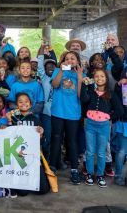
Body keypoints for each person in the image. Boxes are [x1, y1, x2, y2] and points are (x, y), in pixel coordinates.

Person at [81, 69, 121, 188]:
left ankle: (100, 175)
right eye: (96, 76)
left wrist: (109, 117)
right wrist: (84, 85)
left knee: (101, 152)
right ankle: (89, 174)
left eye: (102, 76)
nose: (99, 78)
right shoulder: (91, 91)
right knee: (90, 151)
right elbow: (83, 99)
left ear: (106, 78)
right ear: (94, 79)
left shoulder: (111, 94)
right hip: (90, 125)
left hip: (103, 126)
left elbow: (119, 110)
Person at [49, 51, 84, 184]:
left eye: (72, 58)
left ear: (77, 61)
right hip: (57, 112)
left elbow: (81, 96)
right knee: (56, 138)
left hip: (73, 114)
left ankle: (74, 169)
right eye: (66, 58)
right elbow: (55, 85)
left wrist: (80, 78)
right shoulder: (58, 70)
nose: (69, 60)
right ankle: (52, 166)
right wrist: (62, 71)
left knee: (72, 141)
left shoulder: (81, 74)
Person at [6, 92, 49, 195]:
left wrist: (41, 134)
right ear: (16, 104)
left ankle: (34, 177)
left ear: (30, 104)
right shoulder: (13, 119)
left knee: (43, 190)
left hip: (33, 157)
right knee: (22, 192)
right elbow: (9, 137)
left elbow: (42, 141)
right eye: (20, 102)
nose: (23, 103)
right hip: (18, 158)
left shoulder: (36, 119)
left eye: (26, 101)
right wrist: (8, 121)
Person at [37, 44, 57, 160]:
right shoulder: (44, 79)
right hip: (47, 114)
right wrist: (42, 48)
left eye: (53, 66)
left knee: (57, 138)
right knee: (47, 137)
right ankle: (45, 159)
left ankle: (55, 160)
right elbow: (40, 63)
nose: (50, 67)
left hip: (58, 114)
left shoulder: (60, 79)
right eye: (48, 66)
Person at [113, 71, 127, 186]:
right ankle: (118, 175)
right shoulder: (121, 85)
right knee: (122, 150)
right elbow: (115, 97)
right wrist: (118, 85)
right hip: (123, 122)